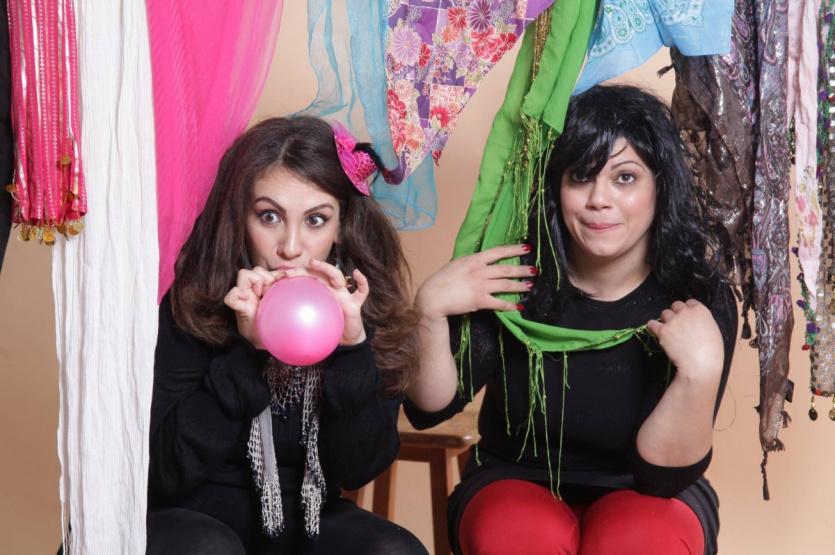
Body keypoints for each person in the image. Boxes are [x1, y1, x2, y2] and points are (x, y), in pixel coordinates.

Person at [406, 85, 737, 555]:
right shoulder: (513, 277)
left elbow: (662, 476)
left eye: (625, 178)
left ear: (660, 187)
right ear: (556, 189)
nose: (599, 199)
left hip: (649, 491)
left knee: (640, 541)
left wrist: (699, 374)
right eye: (581, 177)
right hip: (514, 479)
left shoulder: (698, 296)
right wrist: (428, 312)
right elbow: (429, 409)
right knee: (516, 536)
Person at [146, 116, 427, 555]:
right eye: (270, 216)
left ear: (341, 227)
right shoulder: (188, 304)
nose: (291, 247)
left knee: (393, 550)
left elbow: (356, 470)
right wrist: (249, 352)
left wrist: (351, 350)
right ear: (240, 218)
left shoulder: (361, 312)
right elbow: (162, 475)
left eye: (316, 220)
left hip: (303, 522)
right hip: (185, 522)